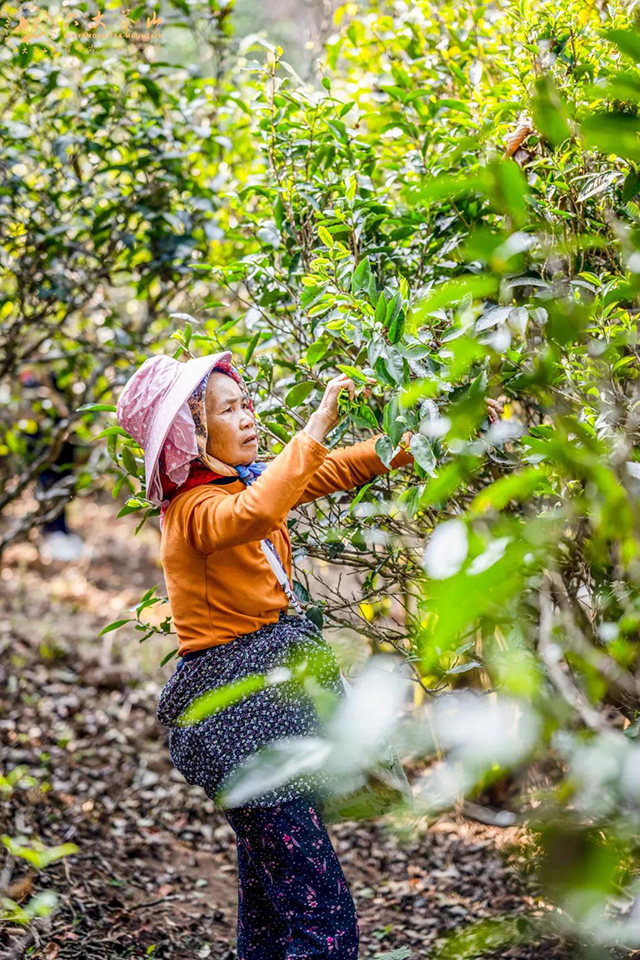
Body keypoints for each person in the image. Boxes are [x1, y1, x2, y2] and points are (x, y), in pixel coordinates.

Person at [114, 351, 502, 959]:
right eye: (228, 411)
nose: (247, 419)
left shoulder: (240, 480)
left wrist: (420, 438)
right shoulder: (193, 510)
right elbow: (259, 511)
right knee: (319, 911)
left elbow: (331, 470)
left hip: (272, 704)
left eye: (246, 406)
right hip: (240, 720)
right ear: (193, 434)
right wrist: (315, 424)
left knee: (273, 903)